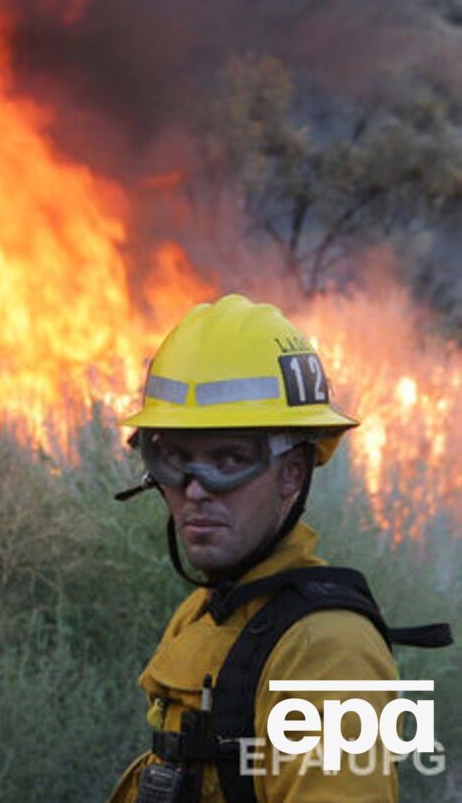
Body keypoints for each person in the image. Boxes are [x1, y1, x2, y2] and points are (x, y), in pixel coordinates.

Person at [105, 294, 451, 803]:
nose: (195, 489)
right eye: (174, 458)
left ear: (293, 471)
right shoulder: (203, 614)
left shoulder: (330, 652)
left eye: (228, 459)